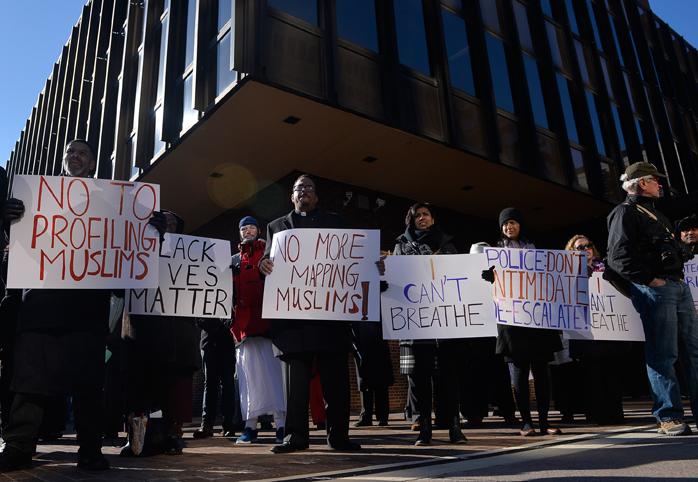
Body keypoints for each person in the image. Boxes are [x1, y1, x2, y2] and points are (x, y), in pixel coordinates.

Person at [0, 140, 165, 471]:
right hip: (41, 303)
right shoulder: (35, 198)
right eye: (70, 152)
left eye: (82, 154)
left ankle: (89, 449)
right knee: (29, 380)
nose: (75, 157)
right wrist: (7, 219)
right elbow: (20, 243)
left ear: (92, 165)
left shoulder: (112, 202)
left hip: (87, 308)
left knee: (88, 384)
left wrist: (150, 234)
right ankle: (19, 446)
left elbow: (125, 251)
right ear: (64, 160)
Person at [259, 174, 360, 454]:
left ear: (316, 196)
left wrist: (371, 265)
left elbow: (352, 261)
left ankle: (338, 437)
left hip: (330, 319)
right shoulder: (276, 227)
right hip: (293, 323)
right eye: (298, 188)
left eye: (309, 188)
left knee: (336, 384)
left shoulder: (336, 223)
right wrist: (263, 265)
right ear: (292, 196)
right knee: (295, 388)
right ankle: (295, 438)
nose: (303, 191)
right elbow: (267, 260)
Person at [607, 162, 698, 436]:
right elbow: (617, 257)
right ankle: (668, 416)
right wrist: (650, 280)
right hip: (656, 288)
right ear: (642, 183)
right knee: (663, 353)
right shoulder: (624, 212)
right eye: (656, 180)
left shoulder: (658, 216)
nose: (660, 185)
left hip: (677, 286)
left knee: (693, 352)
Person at [120, 211, 200, 456]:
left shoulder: (189, 254)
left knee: (172, 392)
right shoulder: (138, 247)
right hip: (142, 332)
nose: (167, 225)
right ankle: (136, 439)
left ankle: (171, 436)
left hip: (177, 335)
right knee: (138, 389)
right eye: (162, 221)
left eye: (173, 223)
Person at [393, 202, 467, 446]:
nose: (422, 218)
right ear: (411, 220)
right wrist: (384, 281)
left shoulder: (446, 245)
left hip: (444, 326)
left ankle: (454, 427)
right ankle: (423, 428)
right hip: (414, 327)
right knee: (418, 380)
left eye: (426, 215)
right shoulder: (400, 246)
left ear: (433, 219)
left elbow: (462, 277)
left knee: (449, 379)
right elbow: (393, 279)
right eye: (417, 216)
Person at [494, 207, 562, 437]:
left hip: (538, 320)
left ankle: (543, 421)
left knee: (542, 373)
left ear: (520, 224)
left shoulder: (537, 248)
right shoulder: (495, 252)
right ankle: (526, 423)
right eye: (505, 224)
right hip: (512, 322)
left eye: (512, 222)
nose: (508, 227)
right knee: (519, 373)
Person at [231, 216, 286, 444]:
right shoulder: (234, 260)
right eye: (244, 228)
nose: (248, 231)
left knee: (276, 377)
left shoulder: (271, 253)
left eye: (252, 227)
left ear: (258, 230)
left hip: (268, 325)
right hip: (244, 329)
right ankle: (250, 426)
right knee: (248, 378)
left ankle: (282, 424)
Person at [566, 235, 626, 425]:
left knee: (612, 373)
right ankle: (597, 414)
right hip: (586, 333)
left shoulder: (607, 268)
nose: (586, 249)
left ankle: (615, 414)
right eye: (580, 247)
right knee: (592, 375)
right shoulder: (568, 272)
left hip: (609, 331)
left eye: (589, 245)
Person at [193, 311, 238, 438]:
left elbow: (233, 317)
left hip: (226, 343)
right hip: (208, 342)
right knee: (210, 384)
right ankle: (207, 424)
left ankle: (228, 424)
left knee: (227, 384)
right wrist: (218, 324)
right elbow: (198, 319)